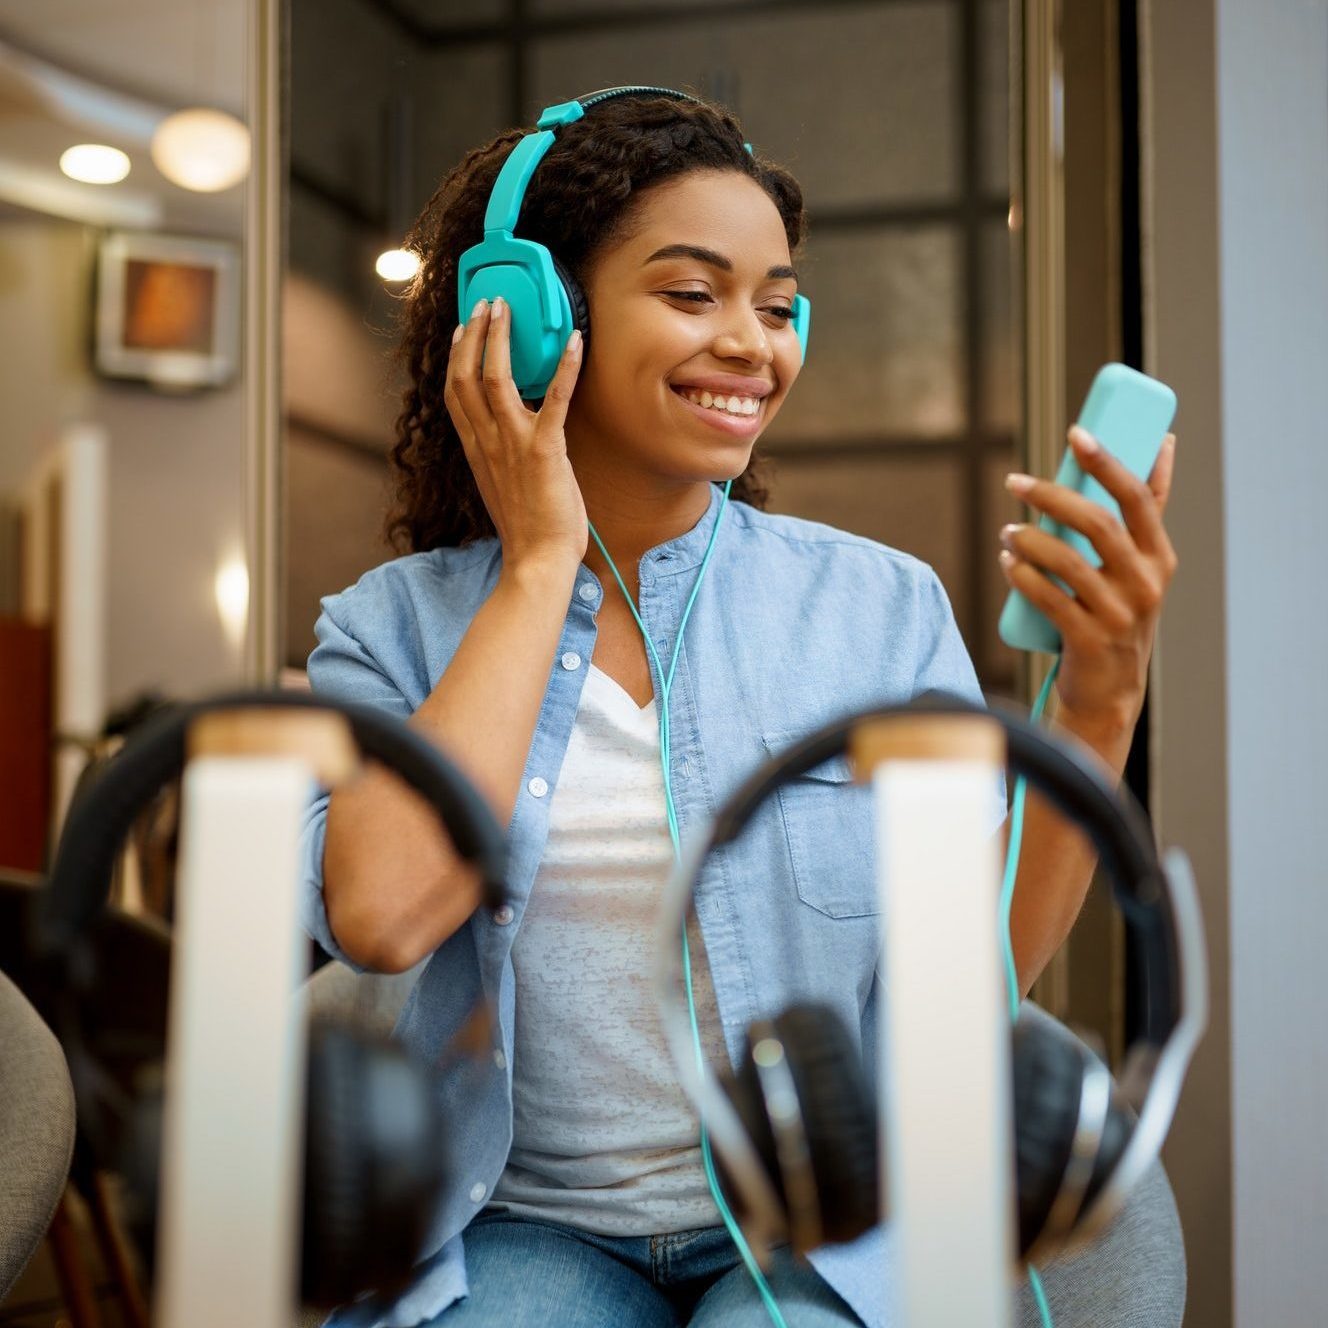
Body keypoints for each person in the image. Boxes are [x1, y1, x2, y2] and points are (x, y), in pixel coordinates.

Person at [299, 90, 1183, 1328]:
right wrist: (540, 562)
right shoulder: (388, 629)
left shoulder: (874, 605)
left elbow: (977, 968)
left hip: (821, 1230)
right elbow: (384, 914)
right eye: (690, 292)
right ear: (531, 318)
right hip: (526, 1227)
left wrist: (1098, 702)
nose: (752, 345)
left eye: (775, 305)